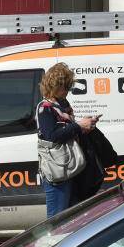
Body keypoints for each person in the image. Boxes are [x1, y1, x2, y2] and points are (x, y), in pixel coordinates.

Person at [36, 62, 97, 218]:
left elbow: (66, 131)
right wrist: (78, 125)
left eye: (69, 87)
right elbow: (53, 136)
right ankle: (50, 243)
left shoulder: (62, 104)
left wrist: (85, 126)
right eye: (65, 87)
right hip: (57, 170)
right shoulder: (45, 108)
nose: (67, 91)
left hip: (69, 168)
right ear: (54, 85)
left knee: (73, 217)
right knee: (57, 218)